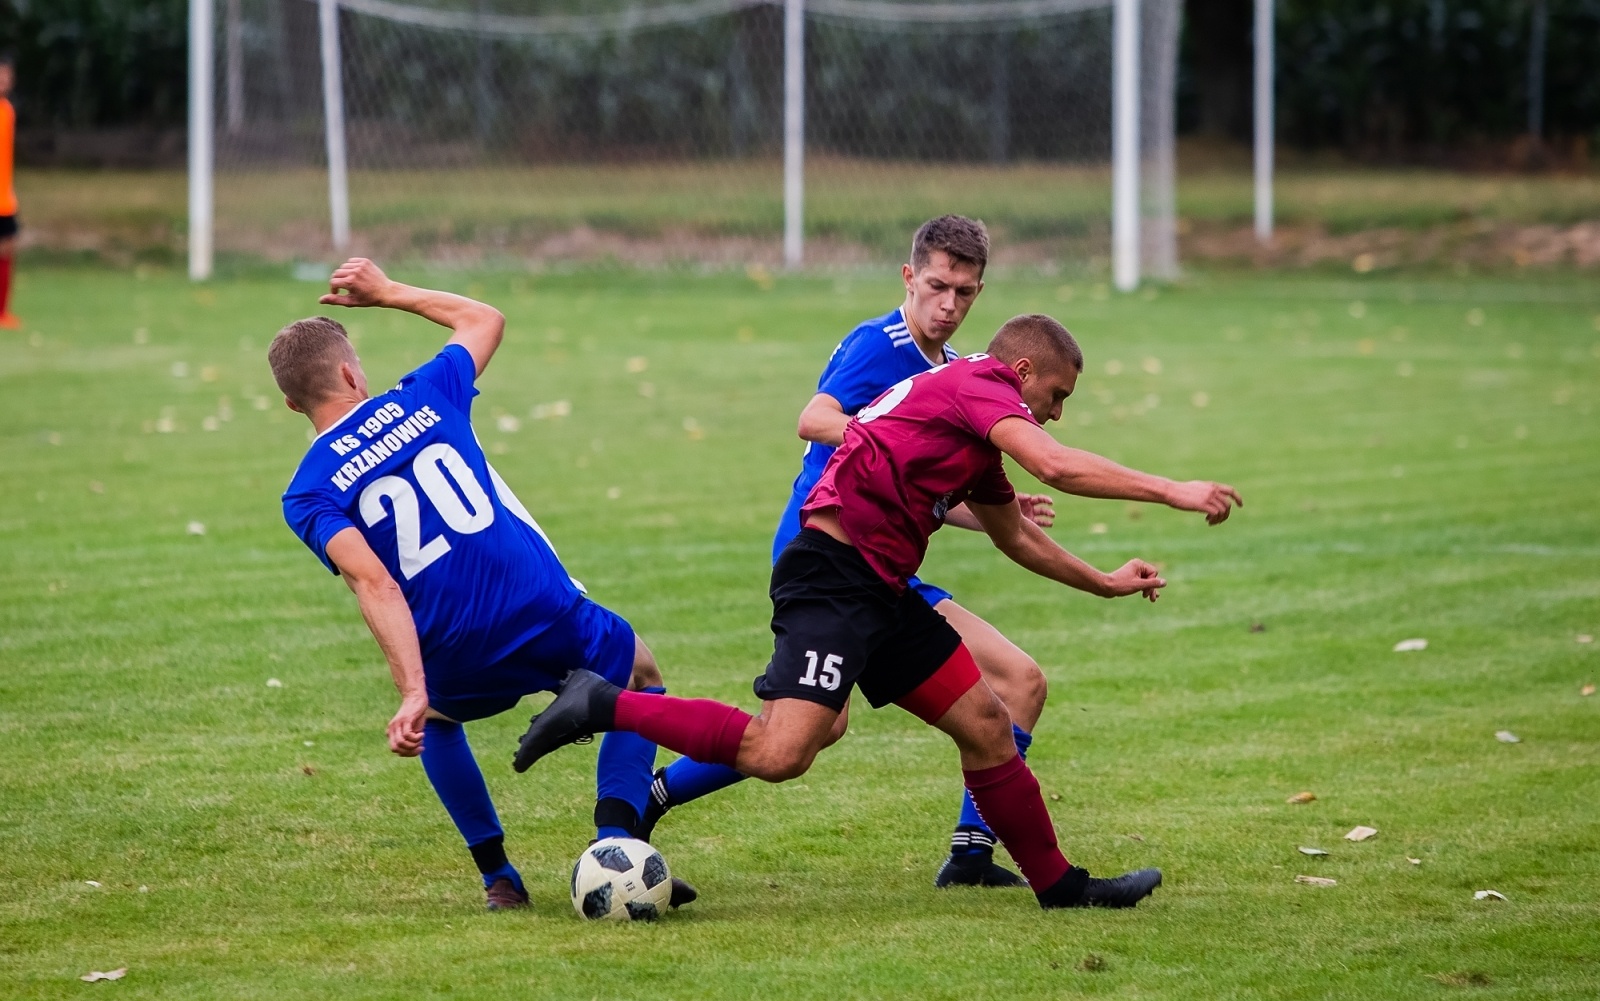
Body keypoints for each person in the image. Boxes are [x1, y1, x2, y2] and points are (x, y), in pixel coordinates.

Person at [515, 314, 1242, 910]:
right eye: (1057, 394)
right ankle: (602, 701)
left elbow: (1016, 537)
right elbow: (1052, 464)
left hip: (883, 587)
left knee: (989, 724)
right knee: (783, 751)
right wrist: (1174, 489)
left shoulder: (971, 432)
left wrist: (1105, 583)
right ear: (1020, 373)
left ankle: (1060, 886)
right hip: (832, 578)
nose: (1054, 411)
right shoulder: (980, 384)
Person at [635, 216, 1066, 890]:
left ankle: (972, 854)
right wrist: (886, 434)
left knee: (1016, 684)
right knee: (802, 738)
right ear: (909, 277)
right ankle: (647, 796)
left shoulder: (955, 371)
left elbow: (924, 484)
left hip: (887, 573)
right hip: (833, 558)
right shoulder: (881, 343)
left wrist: (994, 514)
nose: (949, 306)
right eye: (937, 286)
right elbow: (815, 418)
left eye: (966, 293)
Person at [271, 258, 692, 911]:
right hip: (543, 611)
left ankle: (498, 876)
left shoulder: (307, 492)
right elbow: (482, 319)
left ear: (293, 404)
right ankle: (615, 848)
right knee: (639, 674)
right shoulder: (424, 393)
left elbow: (374, 584)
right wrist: (386, 293)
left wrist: (413, 692)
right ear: (353, 373)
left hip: (453, 649)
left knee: (438, 718)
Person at [0, 55, 21, 330]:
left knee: (9, 246)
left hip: (4, 197)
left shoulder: (8, 111)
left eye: (6, 75)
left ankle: (2, 312)